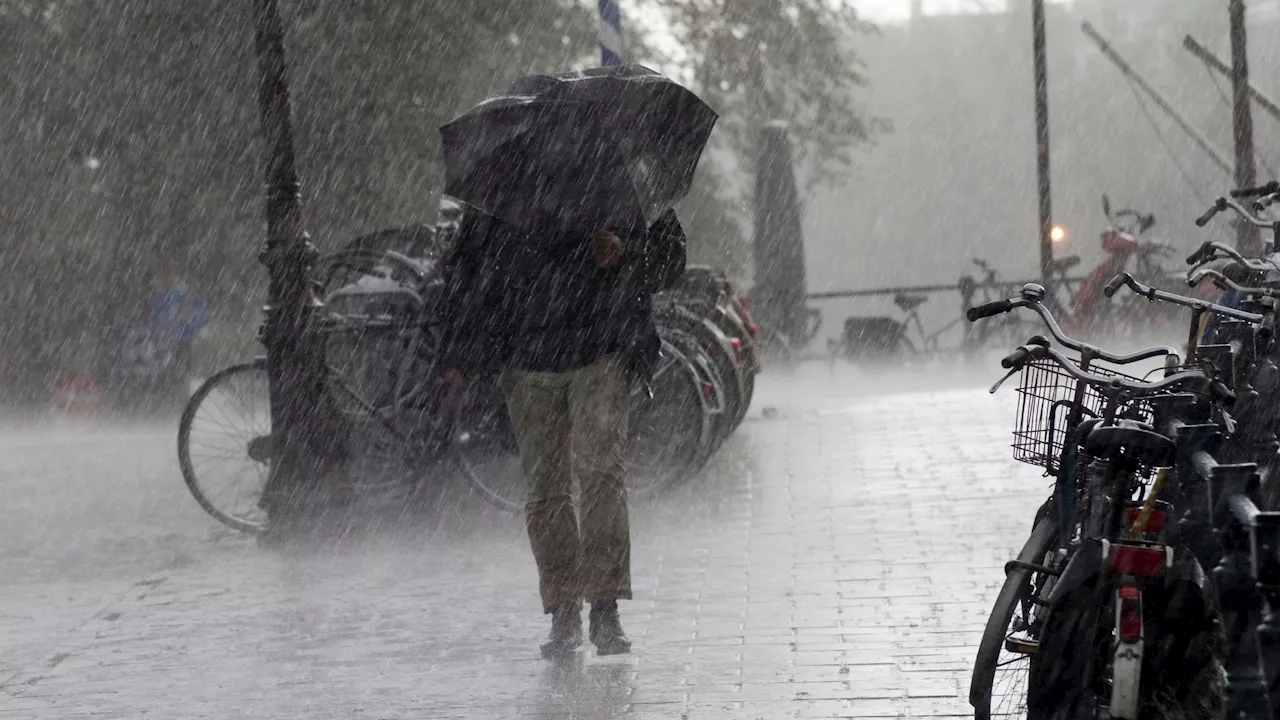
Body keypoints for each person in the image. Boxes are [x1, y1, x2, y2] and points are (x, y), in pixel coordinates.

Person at [437, 207, 686, 659]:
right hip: (527, 358)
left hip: (602, 350)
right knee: (546, 490)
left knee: (601, 478)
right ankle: (564, 610)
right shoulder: (505, 183)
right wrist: (459, 348)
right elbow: (467, 267)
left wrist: (624, 251)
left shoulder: (621, 177)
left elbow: (670, 261)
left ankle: (605, 608)